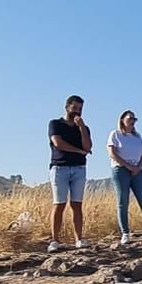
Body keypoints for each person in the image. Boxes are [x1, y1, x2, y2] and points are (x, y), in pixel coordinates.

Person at [108, 110, 142, 246]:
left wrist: (138, 167)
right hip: (120, 169)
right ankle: (125, 233)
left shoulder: (137, 136)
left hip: (137, 170)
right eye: (130, 118)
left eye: (134, 119)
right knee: (122, 201)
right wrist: (126, 165)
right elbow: (112, 153)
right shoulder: (115, 134)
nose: (132, 121)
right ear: (122, 119)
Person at [47, 95, 91, 252]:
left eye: (80, 109)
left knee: (77, 204)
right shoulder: (55, 124)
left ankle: (79, 238)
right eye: (74, 108)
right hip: (60, 167)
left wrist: (82, 128)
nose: (77, 111)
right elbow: (58, 143)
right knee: (59, 204)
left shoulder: (83, 128)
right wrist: (78, 150)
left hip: (79, 168)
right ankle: (54, 240)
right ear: (67, 107)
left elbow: (88, 147)